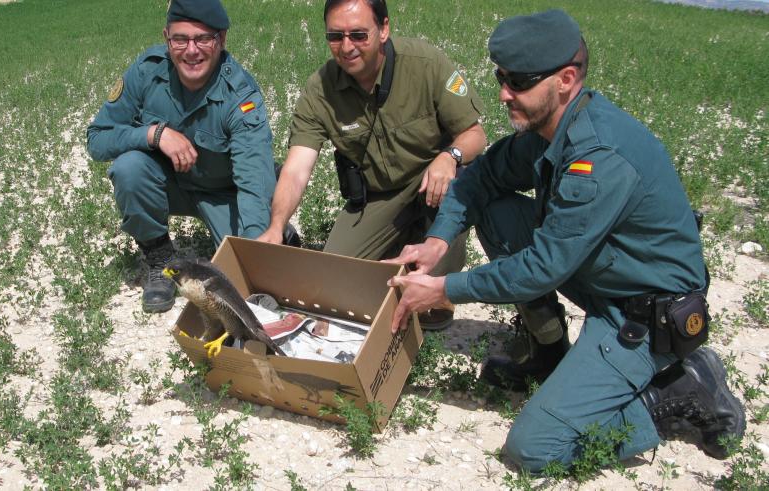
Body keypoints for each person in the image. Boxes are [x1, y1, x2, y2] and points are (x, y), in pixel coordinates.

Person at [386, 9, 745, 472]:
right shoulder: (550, 129)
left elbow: (541, 267)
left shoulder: (597, 156)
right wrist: (437, 242)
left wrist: (441, 288)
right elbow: (480, 179)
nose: (503, 93)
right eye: (500, 76)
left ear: (566, 79)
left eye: (517, 81)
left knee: (535, 449)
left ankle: (676, 393)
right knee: (496, 211)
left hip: (642, 314)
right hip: (603, 273)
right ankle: (548, 351)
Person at [256, 0, 487, 328]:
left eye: (358, 35)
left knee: (435, 255)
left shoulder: (426, 63)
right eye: (335, 36)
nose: (346, 46)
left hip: (433, 184)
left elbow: (475, 134)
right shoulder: (320, 89)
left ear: (384, 29)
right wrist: (276, 227)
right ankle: (397, 243)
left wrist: (449, 157)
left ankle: (440, 287)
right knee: (333, 280)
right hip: (378, 195)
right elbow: (296, 168)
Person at [87, 0, 276, 313]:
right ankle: (160, 259)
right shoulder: (147, 72)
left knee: (248, 274)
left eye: (203, 39)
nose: (192, 50)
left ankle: (276, 239)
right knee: (129, 168)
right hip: (169, 184)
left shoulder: (240, 95)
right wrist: (153, 134)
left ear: (222, 39)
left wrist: (256, 249)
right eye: (180, 39)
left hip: (222, 191)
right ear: (166, 38)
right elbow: (97, 139)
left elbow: (253, 183)